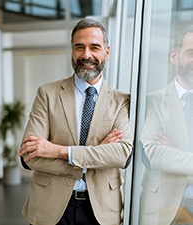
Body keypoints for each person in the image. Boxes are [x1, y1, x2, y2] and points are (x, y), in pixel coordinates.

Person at [19, 18, 133, 225]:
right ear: (72, 51)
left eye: (94, 47)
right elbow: (29, 156)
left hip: (101, 210)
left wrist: (59, 151)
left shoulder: (121, 101)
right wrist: (96, 155)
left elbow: (122, 155)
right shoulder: (47, 94)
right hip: (50, 207)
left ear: (107, 52)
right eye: (79, 47)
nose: (86, 55)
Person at [140, 25, 193, 225]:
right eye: (191, 53)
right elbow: (152, 154)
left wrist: (175, 152)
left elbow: (167, 157)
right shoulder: (152, 102)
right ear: (174, 56)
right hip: (166, 209)